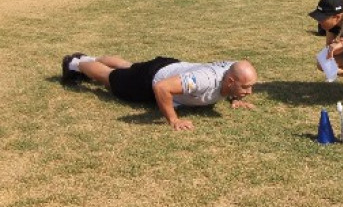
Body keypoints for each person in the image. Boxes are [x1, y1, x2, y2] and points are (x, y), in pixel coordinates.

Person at [60, 53, 257, 131]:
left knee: (130, 67)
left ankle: (89, 57)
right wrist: (174, 120)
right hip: (151, 79)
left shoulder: (233, 71)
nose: (250, 91)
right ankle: (75, 63)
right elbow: (162, 88)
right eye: (245, 87)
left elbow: (236, 73)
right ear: (230, 81)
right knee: (111, 78)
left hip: (170, 66)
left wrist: (234, 97)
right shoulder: (205, 80)